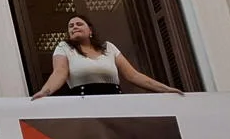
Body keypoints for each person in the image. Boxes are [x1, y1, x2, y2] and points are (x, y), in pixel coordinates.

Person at [32, 14, 183, 98]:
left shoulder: (108, 47)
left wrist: (165, 89)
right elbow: (59, 73)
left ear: (90, 30)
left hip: (115, 103)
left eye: (79, 24)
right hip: (85, 104)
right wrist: (45, 92)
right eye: (71, 26)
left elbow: (133, 76)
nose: (74, 27)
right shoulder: (64, 48)